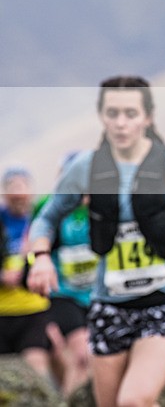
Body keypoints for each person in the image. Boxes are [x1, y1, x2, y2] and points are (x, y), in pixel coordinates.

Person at [26, 76, 165, 407]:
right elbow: (48, 216)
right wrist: (40, 256)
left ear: (148, 116)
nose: (121, 122)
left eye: (130, 113)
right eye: (112, 113)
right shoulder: (87, 167)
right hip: (109, 305)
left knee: (134, 401)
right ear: (102, 116)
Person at [30, 152, 97, 396]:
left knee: (90, 361)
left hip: (97, 295)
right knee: (83, 356)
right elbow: (34, 255)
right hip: (64, 295)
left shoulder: (103, 208)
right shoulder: (52, 211)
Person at [0, 166, 52, 379]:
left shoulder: (40, 220)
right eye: (12, 188)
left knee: (36, 369)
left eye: (22, 187)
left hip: (34, 309)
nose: (18, 194)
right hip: (3, 311)